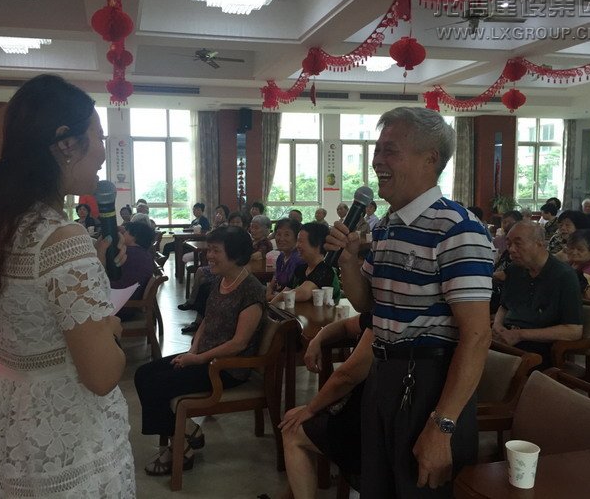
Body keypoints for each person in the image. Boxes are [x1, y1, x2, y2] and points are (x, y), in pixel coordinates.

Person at [0, 74, 135, 497]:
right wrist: (111, 325)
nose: (104, 150)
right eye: (99, 136)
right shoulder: (62, 238)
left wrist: (93, 273)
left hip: (7, 411)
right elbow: (102, 374)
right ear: (66, 143)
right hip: (62, 426)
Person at [325, 107, 493, 497]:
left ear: (430, 159)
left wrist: (443, 426)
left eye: (390, 150)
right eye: (376, 150)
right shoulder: (387, 225)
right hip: (384, 376)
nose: (377, 161)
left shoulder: (457, 229)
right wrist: (347, 261)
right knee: (379, 487)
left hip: (430, 384)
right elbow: (368, 304)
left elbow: (477, 337)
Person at [134, 226, 266, 475]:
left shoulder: (251, 290)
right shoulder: (220, 281)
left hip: (225, 368)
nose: (209, 255)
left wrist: (198, 358)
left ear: (236, 255)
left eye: (215, 250)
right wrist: (193, 351)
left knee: (158, 384)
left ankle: (181, 449)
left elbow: (239, 343)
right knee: (143, 374)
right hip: (204, 358)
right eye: (209, 249)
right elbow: (206, 320)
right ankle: (188, 430)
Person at [280, 313, 373, 499]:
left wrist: (311, 409)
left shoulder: (385, 320)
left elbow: (346, 377)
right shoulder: (381, 312)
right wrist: (318, 339)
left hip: (369, 421)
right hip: (363, 406)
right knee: (292, 417)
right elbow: (345, 326)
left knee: (291, 429)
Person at [493, 220, 583, 368]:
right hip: (507, 339)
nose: (512, 249)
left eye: (518, 243)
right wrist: (497, 325)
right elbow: (504, 306)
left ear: (539, 243)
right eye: (508, 244)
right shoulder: (515, 270)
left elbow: (574, 330)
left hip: (538, 348)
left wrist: (520, 334)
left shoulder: (564, 276)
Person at [272, 222, 340, 304]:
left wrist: (276, 300)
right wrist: (271, 305)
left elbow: (303, 293)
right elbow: (286, 291)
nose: (297, 245)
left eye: (301, 241)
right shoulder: (301, 269)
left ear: (317, 245)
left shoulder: (326, 270)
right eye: (297, 241)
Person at [111, 221, 155, 319]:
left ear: (134, 236)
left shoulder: (129, 254)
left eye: (126, 231)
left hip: (124, 307)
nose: (123, 234)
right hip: (131, 300)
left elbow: (121, 285)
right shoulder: (143, 253)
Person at [548, 209, 590, 276]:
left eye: (567, 225)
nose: (562, 228)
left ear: (579, 227)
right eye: (560, 225)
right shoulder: (557, 238)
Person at [266, 218, 303, 302]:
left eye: (286, 235)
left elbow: (292, 293)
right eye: (278, 234)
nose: (281, 239)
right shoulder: (281, 256)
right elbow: (272, 283)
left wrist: (269, 298)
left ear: (297, 237)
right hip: (275, 298)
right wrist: (268, 295)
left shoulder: (298, 259)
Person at [565, 229, 590, 301]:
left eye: (580, 249)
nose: (574, 252)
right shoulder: (571, 262)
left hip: (588, 305)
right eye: (571, 248)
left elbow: (579, 283)